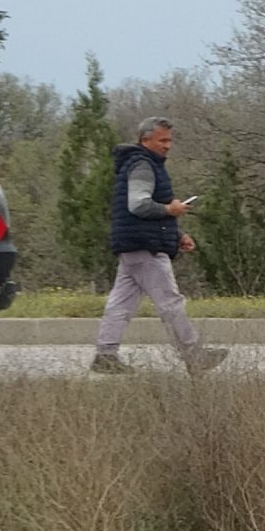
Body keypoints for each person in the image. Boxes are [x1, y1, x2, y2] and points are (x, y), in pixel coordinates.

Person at [92, 116, 227, 375]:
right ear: (145, 140)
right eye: (162, 140)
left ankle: (105, 355)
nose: (167, 146)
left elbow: (142, 210)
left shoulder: (138, 164)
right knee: (170, 302)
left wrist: (177, 234)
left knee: (120, 304)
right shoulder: (143, 165)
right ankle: (194, 355)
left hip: (133, 245)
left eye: (169, 140)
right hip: (147, 247)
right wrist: (170, 209)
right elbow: (139, 205)